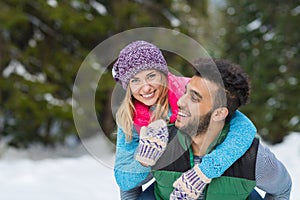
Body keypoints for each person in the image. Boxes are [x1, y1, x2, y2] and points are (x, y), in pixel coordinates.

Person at [112, 41, 257, 200]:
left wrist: (206, 170)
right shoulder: (130, 118)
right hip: (170, 180)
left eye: (151, 76)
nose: (145, 88)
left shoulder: (189, 91)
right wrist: (144, 162)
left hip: (219, 175)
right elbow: (124, 181)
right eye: (135, 80)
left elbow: (245, 128)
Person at [136, 58, 292, 199]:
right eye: (185, 92)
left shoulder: (254, 158)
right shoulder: (158, 144)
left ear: (219, 113)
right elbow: (128, 185)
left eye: (194, 98)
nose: (180, 102)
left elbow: (282, 189)